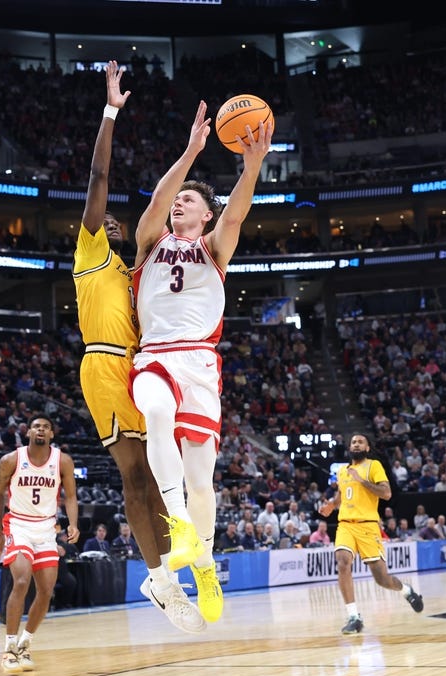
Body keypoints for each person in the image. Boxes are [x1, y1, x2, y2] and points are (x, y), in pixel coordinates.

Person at [128, 95, 273, 626]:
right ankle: (181, 528)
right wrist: (191, 151)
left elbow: (237, 211)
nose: (177, 205)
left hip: (201, 364)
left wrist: (252, 165)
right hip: (155, 358)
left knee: (201, 479)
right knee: (156, 414)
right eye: (176, 201)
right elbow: (155, 202)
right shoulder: (149, 241)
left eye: (188, 201)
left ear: (205, 213)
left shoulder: (214, 247)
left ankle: (206, 564)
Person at [71, 61, 203, 635]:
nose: (115, 224)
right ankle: (158, 572)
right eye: (110, 221)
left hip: (145, 369)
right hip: (103, 363)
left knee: (160, 475)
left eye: (120, 224)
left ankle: (165, 575)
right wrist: (110, 113)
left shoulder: (137, 274)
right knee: (133, 477)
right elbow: (99, 179)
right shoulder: (92, 253)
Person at [0, 415, 79, 675]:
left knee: (46, 590)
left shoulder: (62, 460)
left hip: (46, 527)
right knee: (21, 582)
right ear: (28, 431)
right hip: (18, 524)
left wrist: (72, 523)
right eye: (37, 426)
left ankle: (25, 643)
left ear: (51, 434)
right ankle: (8, 649)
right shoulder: (10, 460)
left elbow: (71, 495)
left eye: (46, 427)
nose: (41, 429)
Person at [318, 433, 423, 635]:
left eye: (360, 442)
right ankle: (354, 617)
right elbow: (341, 496)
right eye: (353, 442)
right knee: (342, 562)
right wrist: (332, 505)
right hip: (346, 525)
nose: (356, 444)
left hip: (368, 526)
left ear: (367, 448)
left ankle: (406, 591)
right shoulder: (343, 471)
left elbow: (386, 493)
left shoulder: (373, 466)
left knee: (382, 579)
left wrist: (362, 481)